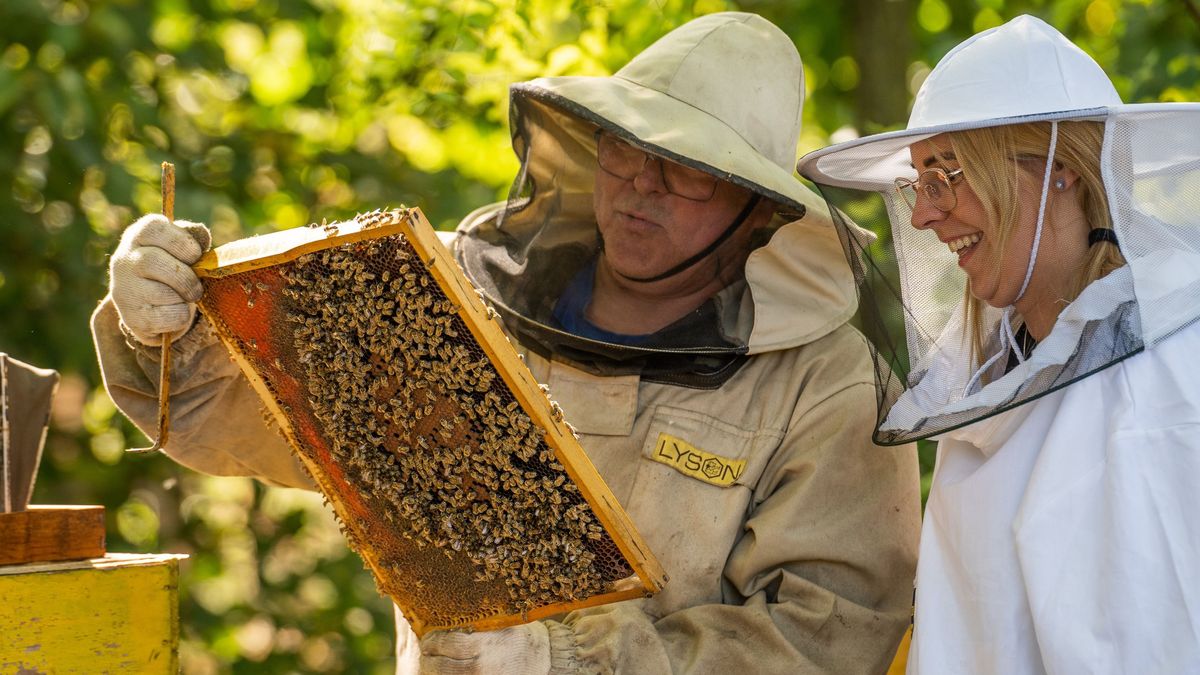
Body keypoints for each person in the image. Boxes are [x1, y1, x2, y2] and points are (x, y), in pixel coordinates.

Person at [94, 12, 920, 673]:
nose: (642, 187)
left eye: (690, 171)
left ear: (759, 214)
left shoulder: (828, 387)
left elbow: (829, 638)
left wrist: (569, 660)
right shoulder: (449, 296)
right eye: (627, 149)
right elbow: (255, 418)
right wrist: (166, 325)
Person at [798, 14, 1200, 674]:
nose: (924, 214)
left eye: (947, 174)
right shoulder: (995, 368)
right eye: (918, 182)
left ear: (1060, 171)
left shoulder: (1157, 384)